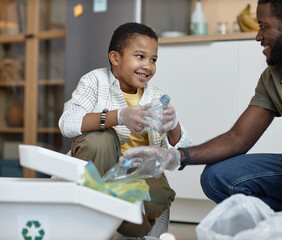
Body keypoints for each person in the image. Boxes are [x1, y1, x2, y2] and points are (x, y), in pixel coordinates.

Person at [121, 0, 282, 239]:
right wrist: (176, 156)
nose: (258, 36)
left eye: (264, 26)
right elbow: (238, 138)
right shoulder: (273, 77)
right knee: (217, 177)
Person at [58, 22, 192, 239]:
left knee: (160, 194)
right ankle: (93, 220)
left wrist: (173, 125)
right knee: (99, 139)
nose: (148, 65)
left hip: (134, 174)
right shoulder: (95, 81)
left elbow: (184, 151)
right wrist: (118, 116)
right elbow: (67, 123)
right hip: (98, 172)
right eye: (140, 56)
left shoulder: (156, 97)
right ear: (115, 58)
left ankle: (111, 223)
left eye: (153, 59)